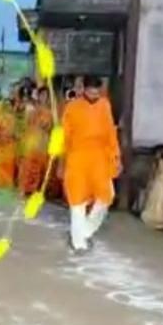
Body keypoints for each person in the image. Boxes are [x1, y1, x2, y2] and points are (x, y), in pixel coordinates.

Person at [61, 75, 120, 252]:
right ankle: (78, 242)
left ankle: (86, 230)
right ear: (84, 89)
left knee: (106, 196)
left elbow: (111, 133)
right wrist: (60, 161)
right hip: (77, 158)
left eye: (97, 91)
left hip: (100, 158)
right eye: (91, 90)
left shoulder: (105, 105)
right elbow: (65, 137)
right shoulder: (72, 107)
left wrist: (116, 157)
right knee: (77, 201)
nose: (94, 94)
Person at [17, 86, 53, 197]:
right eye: (42, 95)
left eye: (46, 96)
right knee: (27, 167)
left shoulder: (50, 112)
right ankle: (23, 189)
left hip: (42, 144)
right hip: (30, 143)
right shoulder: (32, 109)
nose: (44, 98)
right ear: (38, 96)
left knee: (38, 169)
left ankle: (33, 190)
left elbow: (49, 127)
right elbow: (25, 124)